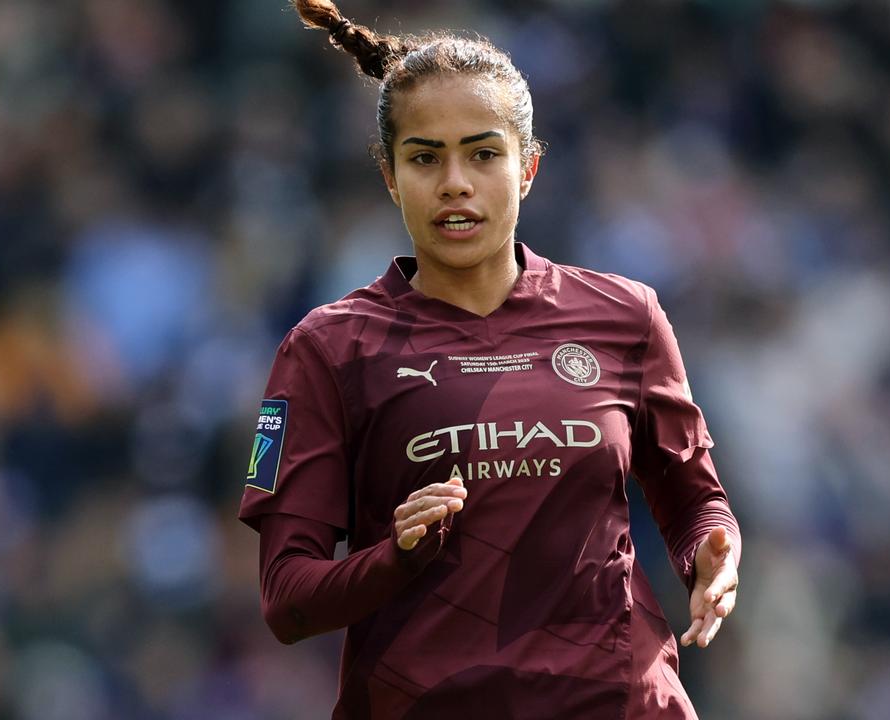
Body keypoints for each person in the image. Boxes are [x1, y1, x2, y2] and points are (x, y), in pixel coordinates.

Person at [237, 1, 742, 717]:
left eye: (482, 153)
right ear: (389, 174)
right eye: (424, 157)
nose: (455, 184)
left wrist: (712, 550)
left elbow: (693, 498)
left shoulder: (626, 316)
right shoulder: (330, 348)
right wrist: (398, 555)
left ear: (528, 165)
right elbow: (287, 600)